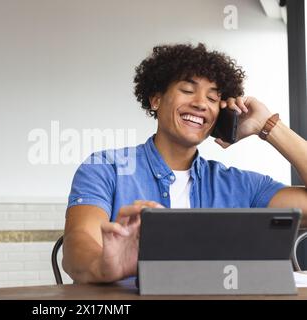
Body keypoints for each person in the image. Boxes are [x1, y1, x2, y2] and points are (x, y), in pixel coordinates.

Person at [62, 43, 307, 284]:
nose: (201, 103)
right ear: (156, 99)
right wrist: (104, 267)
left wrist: (269, 126)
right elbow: (78, 244)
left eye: (213, 97)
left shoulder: (242, 186)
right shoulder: (106, 168)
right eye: (188, 90)